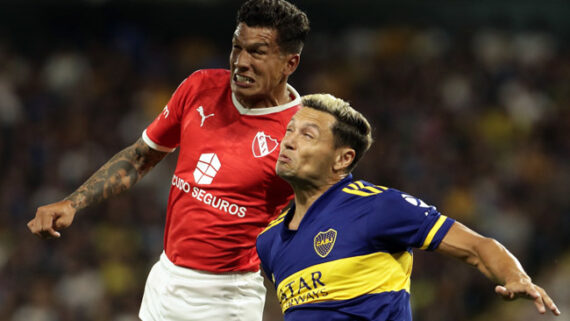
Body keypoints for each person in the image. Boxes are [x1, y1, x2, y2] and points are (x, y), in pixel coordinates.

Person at [27, 0, 310, 320]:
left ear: (290, 63)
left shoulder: (302, 135)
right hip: (165, 279)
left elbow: (323, 215)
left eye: (257, 52)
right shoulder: (199, 87)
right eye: (236, 47)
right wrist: (72, 203)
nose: (240, 62)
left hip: (226, 297)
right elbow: (139, 158)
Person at [256, 93, 561, 320]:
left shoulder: (379, 207)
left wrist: (515, 277)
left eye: (307, 135)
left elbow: (477, 247)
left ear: (343, 158)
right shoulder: (268, 241)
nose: (289, 142)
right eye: (290, 131)